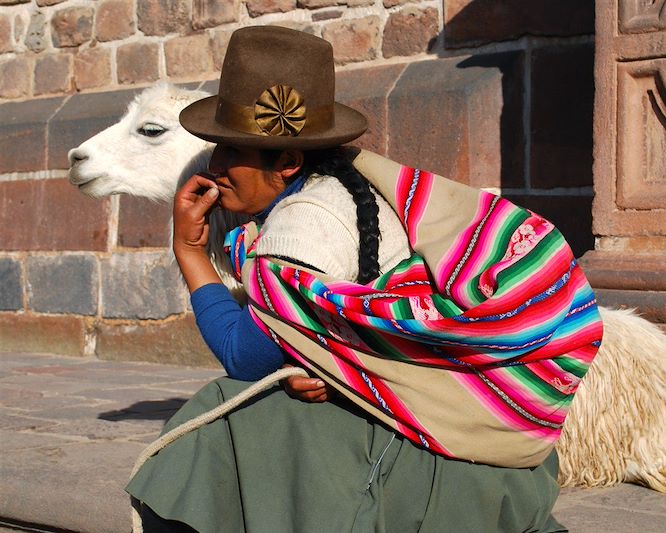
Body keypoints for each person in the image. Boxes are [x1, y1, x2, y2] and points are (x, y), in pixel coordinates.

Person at [128, 25, 602, 533]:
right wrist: (339, 366)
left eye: (230, 152)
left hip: (447, 473)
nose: (216, 167)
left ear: (288, 161)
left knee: (215, 420)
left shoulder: (301, 225)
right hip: (510, 465)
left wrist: (190, 250)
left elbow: (244, 355)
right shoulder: (362, 188)